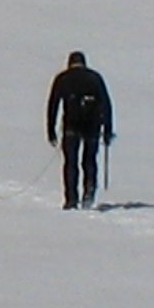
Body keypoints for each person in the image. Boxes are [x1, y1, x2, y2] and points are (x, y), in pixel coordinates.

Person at [47, 50, 114, 209]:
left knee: (71, 162)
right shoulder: (95, 78)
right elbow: (106, 104)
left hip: (71, 125)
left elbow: (53, 105)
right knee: (89, 160)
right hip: (93, 125)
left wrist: (51, 129)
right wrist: (108, 129)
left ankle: (71, 198)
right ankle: (89, 192)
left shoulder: (62, 79)